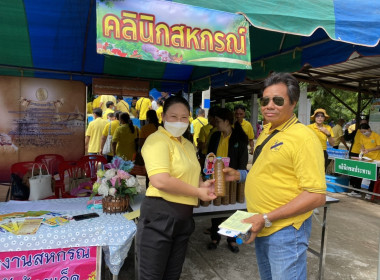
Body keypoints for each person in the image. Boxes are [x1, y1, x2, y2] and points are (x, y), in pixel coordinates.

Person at [223, 72, 326, 280]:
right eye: (265, 100)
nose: (269, 105)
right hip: (262, 223)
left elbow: (316, 195)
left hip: (286, 231)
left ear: (293, 103)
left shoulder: (304, 138)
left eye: (278, 100)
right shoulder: (268, 130)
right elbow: (268, 170)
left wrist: (267, 217)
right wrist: (240, 175)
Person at [137, 96, 216, 280]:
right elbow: (160, 180)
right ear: (163, 116)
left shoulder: (188, 144)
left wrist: (204, 185)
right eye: (173, 116)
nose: (179, 122)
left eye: (184, 117)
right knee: (152, 276)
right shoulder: (156, 141)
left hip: (184, 219)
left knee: (172, 275)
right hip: (160, 217)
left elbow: (192, 177)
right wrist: (198, 192)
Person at [207, 107, 248, 253]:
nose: (216, 124)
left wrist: (238, 176)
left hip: (232, 179)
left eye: (218, 121)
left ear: (227, 121)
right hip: (216, 178)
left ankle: (232, 239)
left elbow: (243, 163)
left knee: (232, 210)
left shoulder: (239, 139)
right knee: (216, 208)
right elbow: (209, 157)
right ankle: (215, 236)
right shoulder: (215, 136)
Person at [357, 123, 380, 200]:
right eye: (362, 132)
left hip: (376, 159)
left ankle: (370, 193)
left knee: (373, 176)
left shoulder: (376, 136)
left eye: (364, 131)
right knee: (363, 173)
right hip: (366, 158)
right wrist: (362, 149)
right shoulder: (362, 136)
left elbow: (379, 146)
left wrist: (369, 150)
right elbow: (362, 145)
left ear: (369, 129)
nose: (363, 133)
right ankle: (358, 190)